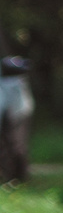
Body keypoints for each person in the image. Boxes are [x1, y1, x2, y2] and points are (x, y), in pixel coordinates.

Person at [0, 55, 29, 185]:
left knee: (13, 148)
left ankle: (15, 177)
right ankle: (16, 177)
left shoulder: (14, 82)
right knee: (15, 147)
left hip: (14, 117)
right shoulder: (14, 83)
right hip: (15, 117)